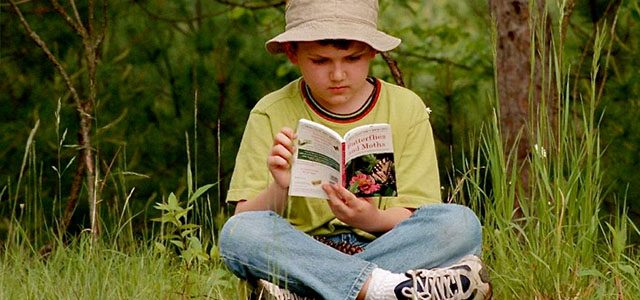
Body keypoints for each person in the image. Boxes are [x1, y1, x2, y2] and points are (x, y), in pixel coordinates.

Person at [219, 0, 492, 299]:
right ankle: (385, 289)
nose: (338, 75)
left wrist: (369, 219)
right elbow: (243, 218)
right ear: (292, 52)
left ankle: (309, 290)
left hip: (384, 245)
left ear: (373, 51)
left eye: (352, 58)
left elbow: (416, 213)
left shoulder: (406, 107)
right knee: (238, 234)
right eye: (321, 61)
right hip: (301, 249)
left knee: (460, 224)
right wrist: (280, 188)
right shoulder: (270, 111)